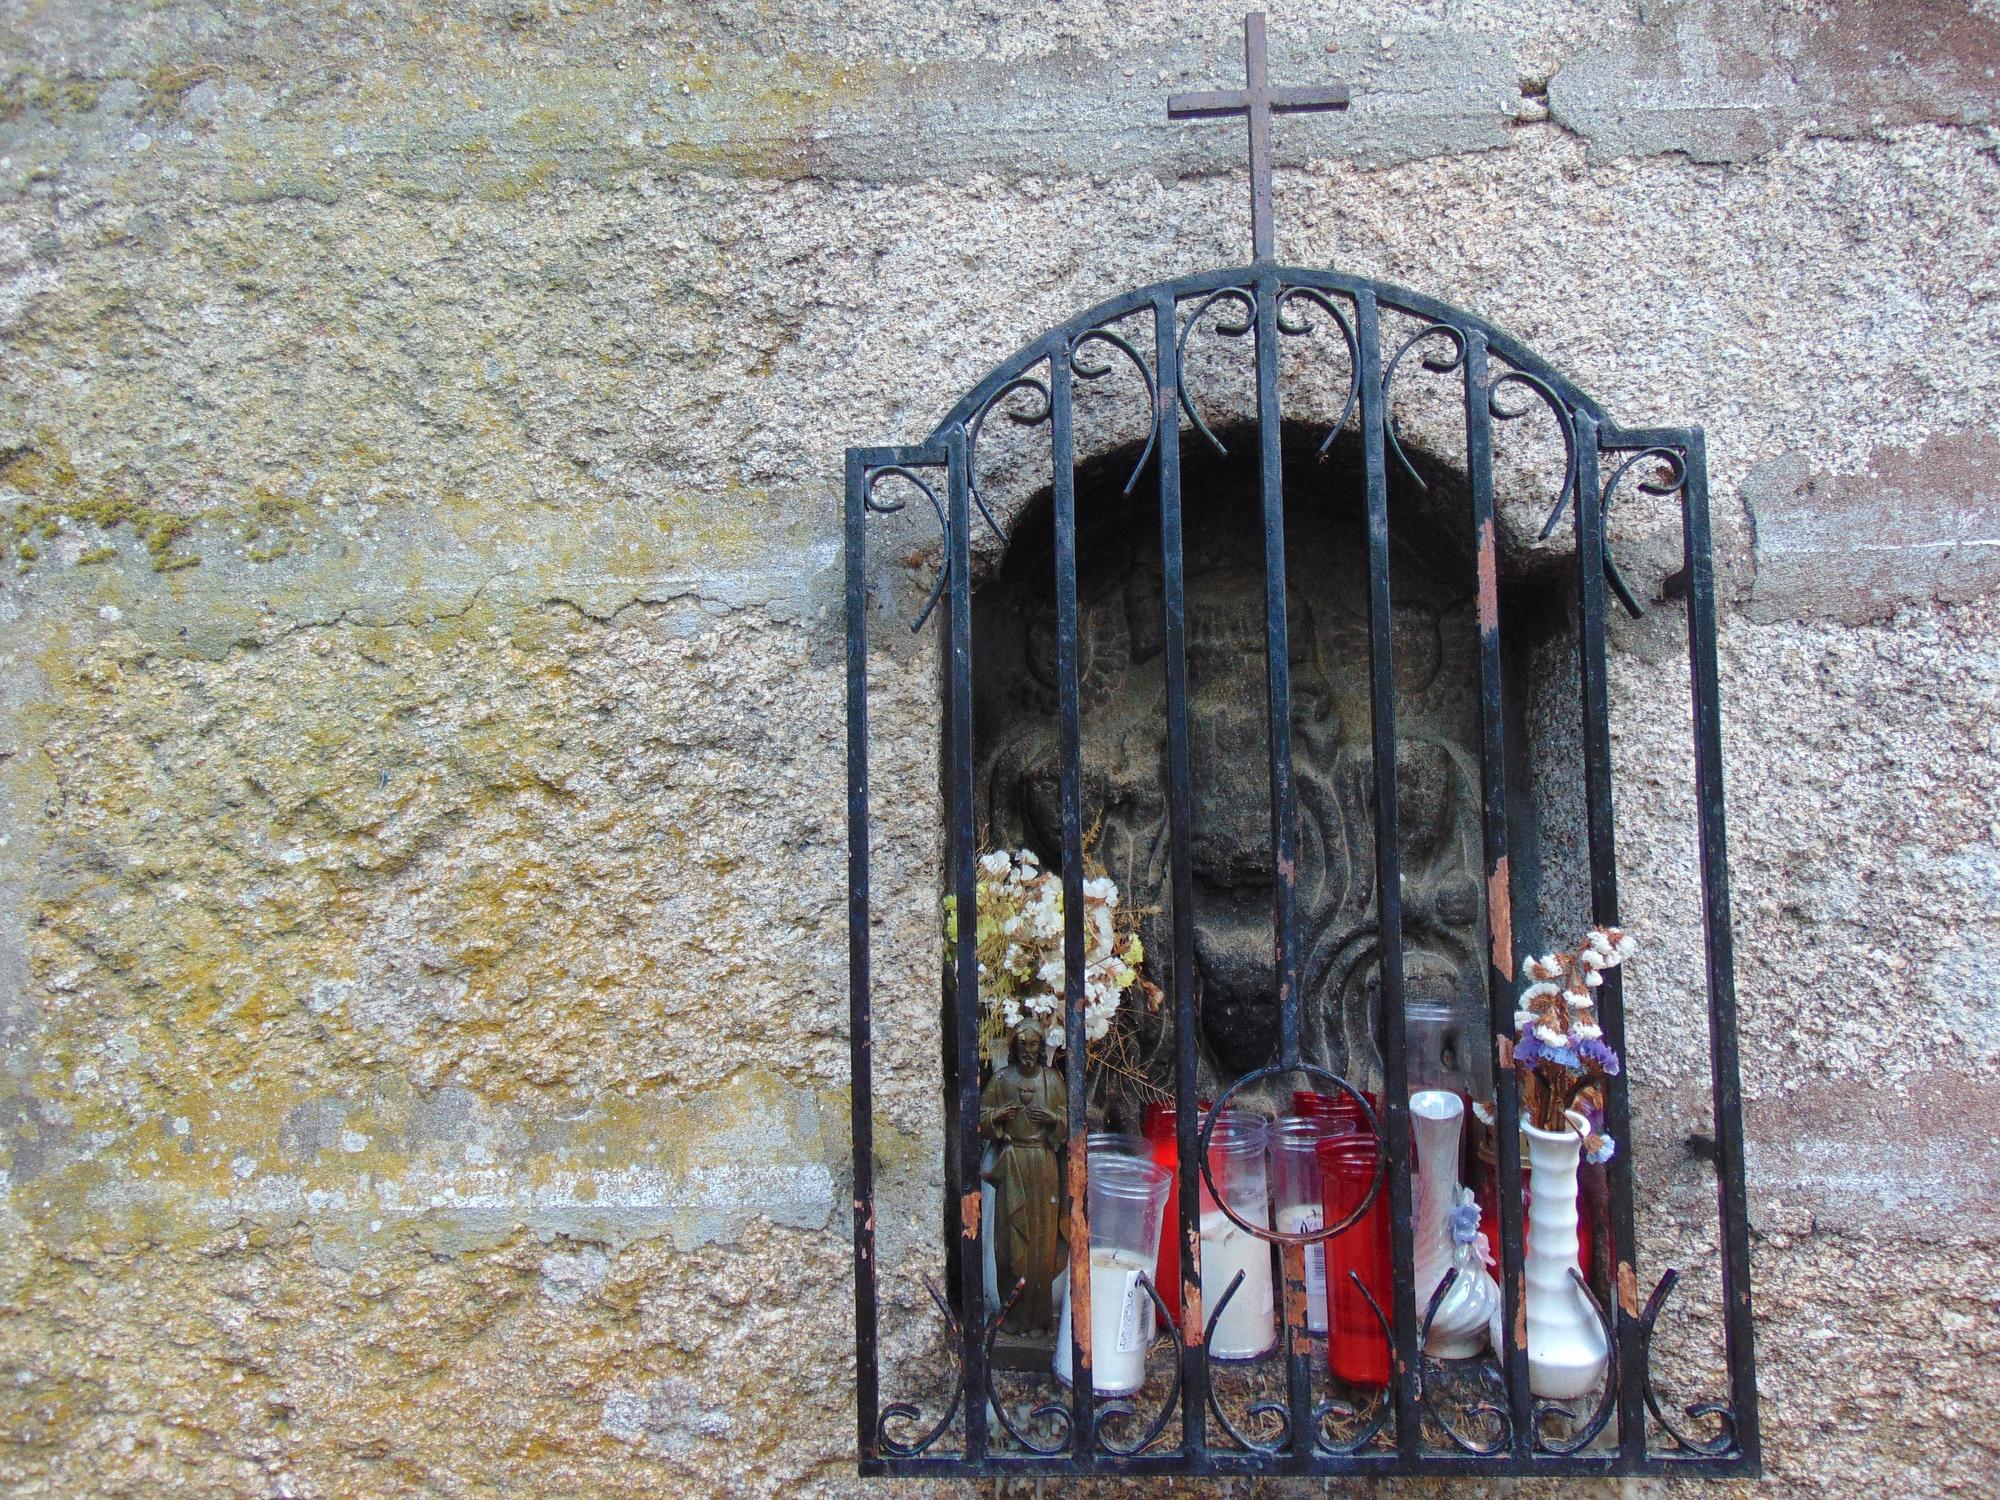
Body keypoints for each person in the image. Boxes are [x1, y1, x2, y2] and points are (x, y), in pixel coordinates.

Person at [979, 1019, 1067, 1332]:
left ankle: (1038, 1317)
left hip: (1042, 1164)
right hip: (1012, 1163)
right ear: (1014, 1047)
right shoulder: (1002, 1080)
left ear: (1040, 1047)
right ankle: (1011, 1318)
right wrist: (997, 1117)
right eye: (1022, 1045)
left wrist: (1053, 1119)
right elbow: (980, 1118)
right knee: (1008, 1243)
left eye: (1033, 1045)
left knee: (1041, 1243)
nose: (1028, 1051)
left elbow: (1069, 1126)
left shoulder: (1052, 1081)